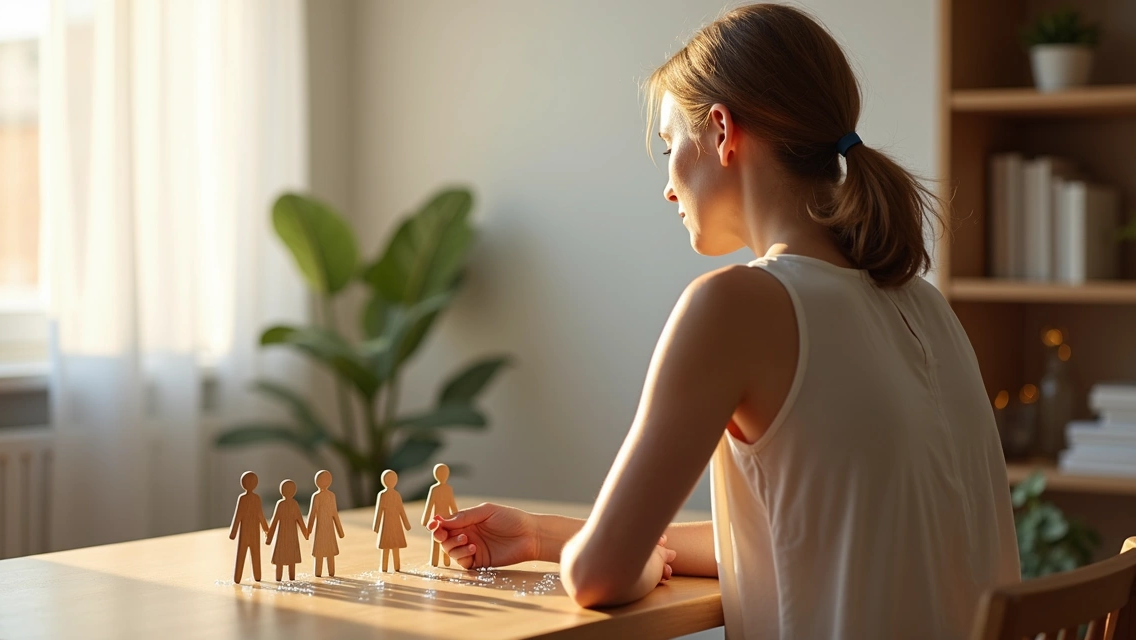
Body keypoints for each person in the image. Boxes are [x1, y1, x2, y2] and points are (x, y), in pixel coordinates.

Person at [428, 4, 1019, 638]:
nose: (668, 187)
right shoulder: (923, 306)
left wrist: (625, 559)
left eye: (668, 145)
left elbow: (598, 576)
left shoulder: (735, 307)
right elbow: (797, 530)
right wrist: (545, 534)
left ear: (720, 131)